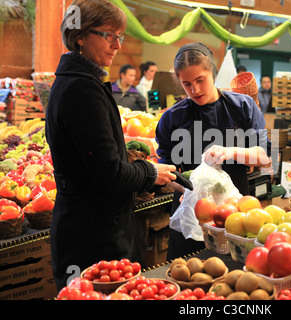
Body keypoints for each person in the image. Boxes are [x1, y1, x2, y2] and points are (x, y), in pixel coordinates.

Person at [46, 0, 178, 291]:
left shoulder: (78, 82)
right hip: (92, 236)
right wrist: (149, 172)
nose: (117, 44)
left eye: (120, 36)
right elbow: (108, 173)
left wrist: (148, 171)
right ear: (80, 36)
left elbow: (99, 161)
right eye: (109, 35)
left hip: (88, 226)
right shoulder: (82, 90)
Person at [155, 43, 271, 260]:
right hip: (191, 212)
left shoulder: (243, 107)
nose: (195, 90)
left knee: (234, 274)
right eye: (187, 84)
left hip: (235, 212)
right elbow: (168, 170)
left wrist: (230, 151)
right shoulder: (171, 118)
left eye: (200, 80)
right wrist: (191, 192)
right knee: (187, 273)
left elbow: (263, 156)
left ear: (213, 74)